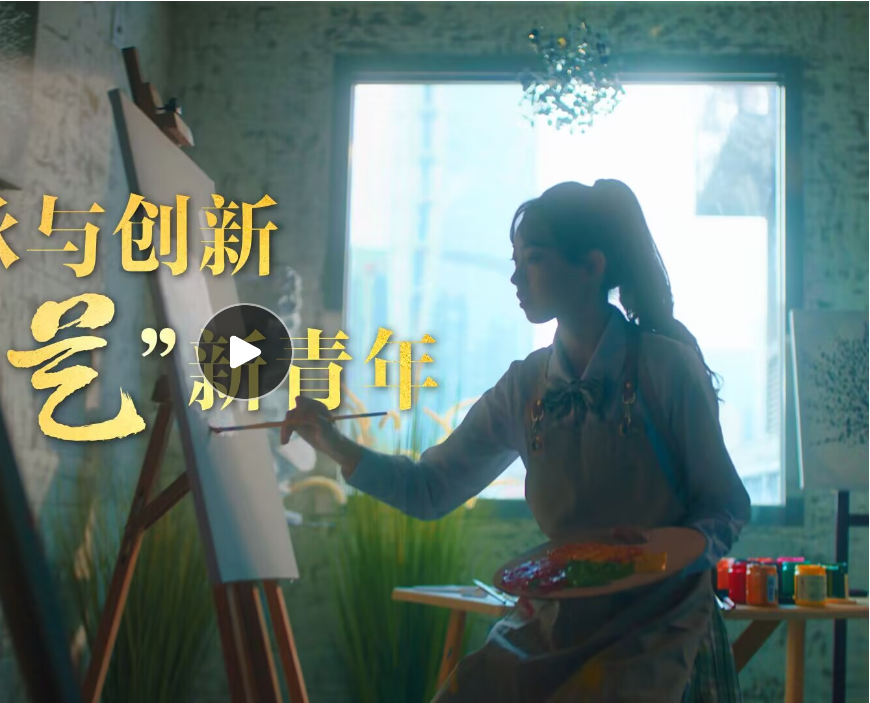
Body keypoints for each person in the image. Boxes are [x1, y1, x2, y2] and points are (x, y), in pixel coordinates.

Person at [282, 179, 751, 702]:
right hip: (558, 622)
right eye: (515, 260)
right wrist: (332, 442)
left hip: (658, 624)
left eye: (533, 259)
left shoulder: (666, 368)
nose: (514, 277)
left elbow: (726, 506)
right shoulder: (524, 386)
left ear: (592, 267)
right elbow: (429, 490)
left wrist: (669, 550)